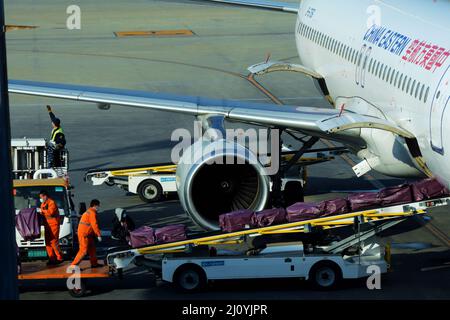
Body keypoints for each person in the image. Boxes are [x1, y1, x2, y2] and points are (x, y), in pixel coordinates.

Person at [71, 199, 103, 268]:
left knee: (92, 249)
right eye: (98, 206)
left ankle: (94, 264)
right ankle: (73, 266)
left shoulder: (89, 211)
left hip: (88, 234)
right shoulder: (92, 213)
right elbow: (94, 225)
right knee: (83, 251)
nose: (99, 207)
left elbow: (90, 225)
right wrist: (98, 235)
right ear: (95, 205)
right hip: (84, 234)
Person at [39, 190, 64, 265]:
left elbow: (50, 213)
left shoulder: (52, 203)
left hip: (54, 225)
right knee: (47, 243)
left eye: (41, 197)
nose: (41, 199)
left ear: (45, 196)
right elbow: (43, 213)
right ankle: (51, 258)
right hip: (47, 226)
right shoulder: (43, 204)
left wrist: (43, 212)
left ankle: (60, 257)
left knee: (53, 241)